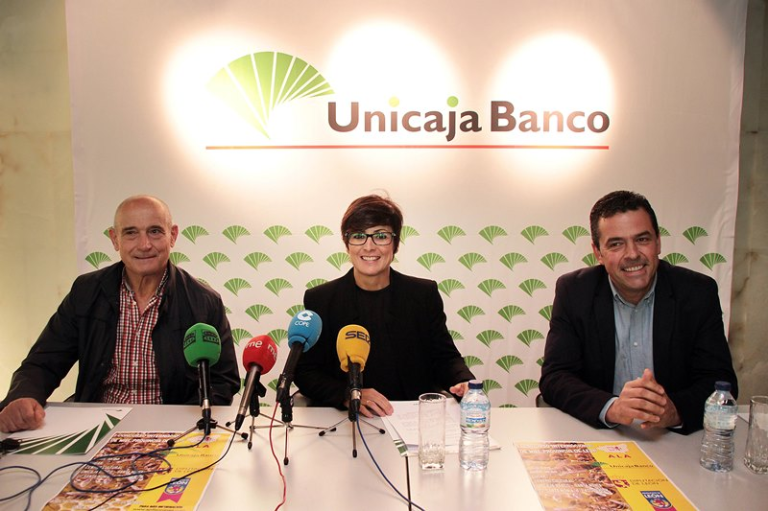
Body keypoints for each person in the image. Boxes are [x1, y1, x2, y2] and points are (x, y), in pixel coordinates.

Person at [0, 195, 240, 433]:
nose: (144, 244)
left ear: (173, 236)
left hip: (171, 432)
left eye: (155, 231)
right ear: (115, 239)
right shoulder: (86, 292)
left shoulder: (204, 302)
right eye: (131, 233)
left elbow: (222, 382)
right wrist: (23, 396)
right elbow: (43, 362)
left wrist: (179, 425)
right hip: (96, 427)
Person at [540, 190, 738, 434]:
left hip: (673, 440)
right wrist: (612, 408)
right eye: (616, 244)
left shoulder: (697, 292)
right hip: (601, 435)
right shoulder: (574, 291)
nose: (633, 254)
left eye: (642, 239)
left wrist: (674, 411)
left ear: (658, 242)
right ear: (598, 252)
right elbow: (556, 377)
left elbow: (720, 382)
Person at [295, 194, 474, 417]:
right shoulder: (321, 299)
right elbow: (305, 372)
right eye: (358, 236)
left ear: (395, 244)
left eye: (381, 236)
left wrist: (463, 381)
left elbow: (445, 358)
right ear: (347, 244)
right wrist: (349, 394)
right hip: (349, 420)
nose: (369, 247)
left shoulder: (422, 294)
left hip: (412, 416)